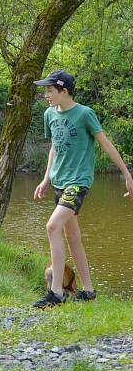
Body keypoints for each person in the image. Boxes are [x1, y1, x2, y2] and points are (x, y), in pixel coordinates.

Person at [32, 70, 133, 308]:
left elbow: (106, 145)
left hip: (78, 182)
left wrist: (127, 175)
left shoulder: (85, 114)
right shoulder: (49, 114)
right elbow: (54, 148)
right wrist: (46, 179)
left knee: (52, 226)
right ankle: (88, 291)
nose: (46, 94)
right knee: (72, 236)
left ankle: (56, 293)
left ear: (63, 90)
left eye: (49, 90)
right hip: (58, 182)